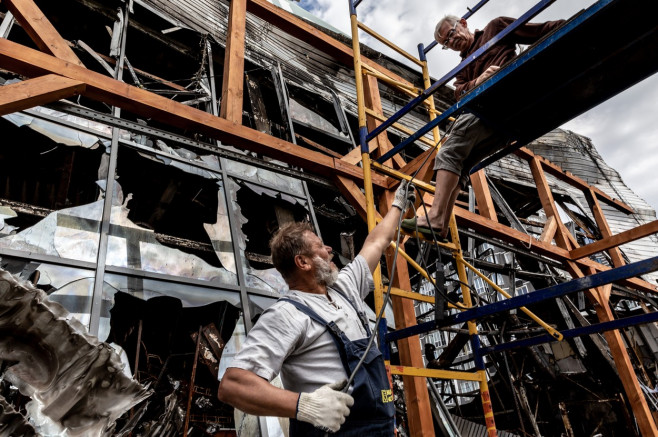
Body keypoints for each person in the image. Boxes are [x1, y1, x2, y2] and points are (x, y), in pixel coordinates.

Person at [218, 181, 415, 436]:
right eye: (320, 247)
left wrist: (398, 205)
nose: (330, 249)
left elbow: (376, 242)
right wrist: (303, 406)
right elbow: (233, 385)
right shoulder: (287, 315)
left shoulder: (345, 288)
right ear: (303, 262)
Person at [402, 15, 564, 240]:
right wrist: (478, 82)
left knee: (449, 151)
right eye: (446, 44)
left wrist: (573, 23)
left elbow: (539, 29)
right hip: (501, 123)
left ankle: (436, 216)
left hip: (501, 99)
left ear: (463, 23)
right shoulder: (462, 68)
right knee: (463, 162)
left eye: (450, 34)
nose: (451, 42)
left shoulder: (495, 27)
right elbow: (459, 92)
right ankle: (440, 224)